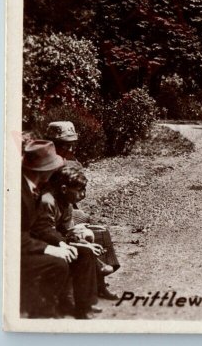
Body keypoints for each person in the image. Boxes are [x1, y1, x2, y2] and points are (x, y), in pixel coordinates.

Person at [45, 121, 120, 300]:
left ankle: (100, 282)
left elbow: (79, 193)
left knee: (98, 228)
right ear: (52, 143)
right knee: (83, 231)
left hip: (68, 208)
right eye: (64, 144)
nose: (69, 147)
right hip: (51, 210)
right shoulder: (44, 163)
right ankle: (97, 269)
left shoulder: (72, 161)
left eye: (71, 143)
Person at [33, 164, 101, 319]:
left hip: (57, 241)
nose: (82, 195)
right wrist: (69, 244)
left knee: (87, 251)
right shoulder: (47, 201)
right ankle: (70, 305)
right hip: (41, 245)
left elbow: (65, 230)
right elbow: (44, 231)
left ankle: (84, 305)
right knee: (81, 254)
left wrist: (83, 242)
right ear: (64, 189)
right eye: (79, 190)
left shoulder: (66, 203)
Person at [21, 140, 72, 318]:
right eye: (53, 167)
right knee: (57, 264)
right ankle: (42, 314)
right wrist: (48, 248)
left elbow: (41, 225)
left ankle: (52, 307)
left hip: (27, 244)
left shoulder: (33, 187)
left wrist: (60, 243)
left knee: (66, 255)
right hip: (12, 253)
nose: (55, 171)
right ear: (44, 170)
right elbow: (13, 236)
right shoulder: (19, 192)